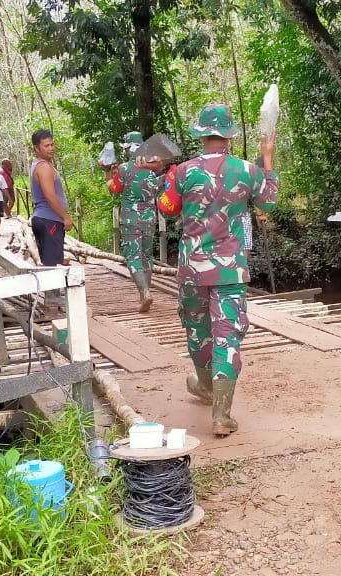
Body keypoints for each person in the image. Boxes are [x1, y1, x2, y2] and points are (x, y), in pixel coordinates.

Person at [156, 104, 277, 436]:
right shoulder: (246, 171)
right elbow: (268, 202)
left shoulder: (183, 172)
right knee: (227, 336)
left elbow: (166, 210)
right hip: (229, 271)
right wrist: (268, 158)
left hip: (192, 268)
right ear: (228, 135)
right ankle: (221, 414)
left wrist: (166, 181)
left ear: (201, 133)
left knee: (197, 330)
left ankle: (206, 385)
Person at [106, 131, 162, 312]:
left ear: (129, 148)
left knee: (133, 255)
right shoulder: (153, 170)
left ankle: (144, 292)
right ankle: (144, 293)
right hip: (150, 217)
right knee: (147, 255)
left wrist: (107, 173)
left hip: (130, 217)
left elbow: (114, 189)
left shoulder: (124, 169)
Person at [30, 129, 72, 268]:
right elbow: (49, 195)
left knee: (49, 263)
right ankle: (53, 291)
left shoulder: (40, 165)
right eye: (46, 146)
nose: (51, 148)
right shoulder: (43, 168)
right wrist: (65, 217)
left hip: (44, 219)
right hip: (49, 220)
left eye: (52, 145)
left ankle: (52, 290)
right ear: (37, 148)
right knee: (52, 266)